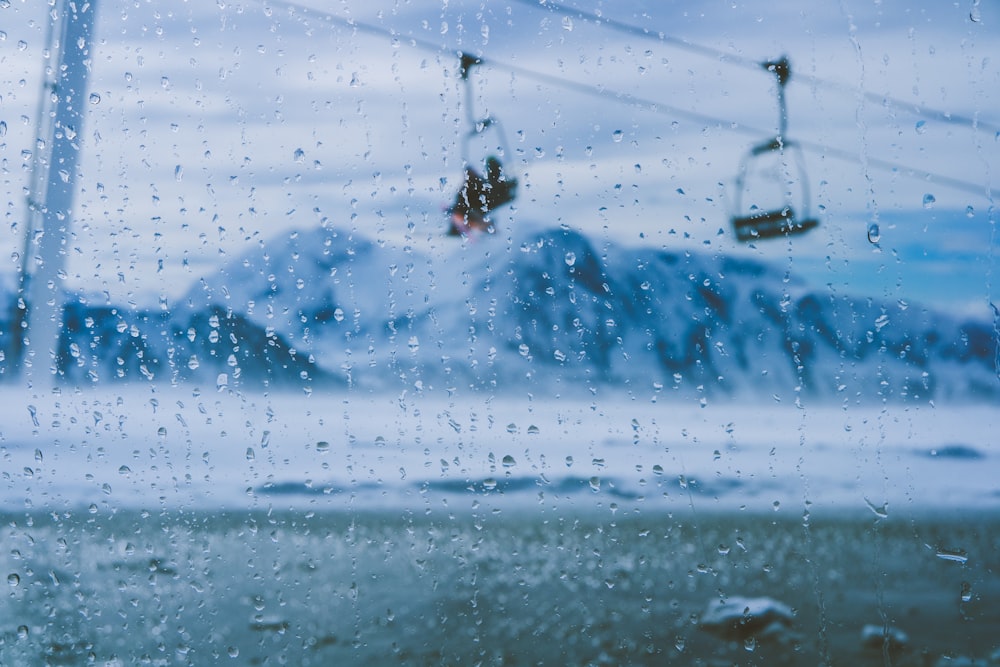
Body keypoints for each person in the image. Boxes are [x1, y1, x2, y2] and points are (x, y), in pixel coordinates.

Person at [448, 156, 517, 236]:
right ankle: (460, 227)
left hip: (481, 210)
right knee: (467, 211)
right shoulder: (488, 182)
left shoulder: (487, 183)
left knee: (470, 212)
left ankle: (483, 227)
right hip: (476, 210)